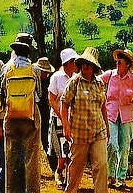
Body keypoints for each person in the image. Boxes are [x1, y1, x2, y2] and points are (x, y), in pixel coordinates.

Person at [0, 33, 42, 193]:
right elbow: (38, 96)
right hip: (30, 118)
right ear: (29, 51)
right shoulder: (34, 70)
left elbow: (0, 92)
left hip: (11, 118)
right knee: (31, 161)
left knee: (11, 161)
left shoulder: (6, 69)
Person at [100, 49, 133, 188]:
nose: (117, 63)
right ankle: (110, 175)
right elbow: (96, 83)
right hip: (110, 114)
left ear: (127, 64)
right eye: (117, 61)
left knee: (124, 147)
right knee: (111, 144)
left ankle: (121, 177)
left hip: (127, 116)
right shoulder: (110, 75)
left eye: (120, 61)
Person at [61, 47, 109, 193]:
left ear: (94, 67)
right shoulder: (74, 82)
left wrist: (107, 127)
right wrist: (66, 127)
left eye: (89, 64)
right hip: (79, 133)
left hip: (98, 132)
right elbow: (64, 105)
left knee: (101, 165)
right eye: (84, 63)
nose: (86, 66)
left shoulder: (99, 84)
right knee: (76, 169)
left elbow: (103, 107)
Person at [48, 48, 79, 189]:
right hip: (58, 117)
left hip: (72, 117)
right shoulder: (57, 77)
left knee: (71, 148)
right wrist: (61, 115)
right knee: (62, 148)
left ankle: (68, 176)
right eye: (74, 61)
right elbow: (52, 98)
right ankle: (59, 171)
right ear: (68, 63)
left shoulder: (76, 78)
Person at [34, 56, 56, 172]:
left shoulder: (47, 80)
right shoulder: (33, 79)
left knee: (47, 140)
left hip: (45, 113)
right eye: (45, 72)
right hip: (34, 112)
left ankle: (54, 166)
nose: (46, 74)